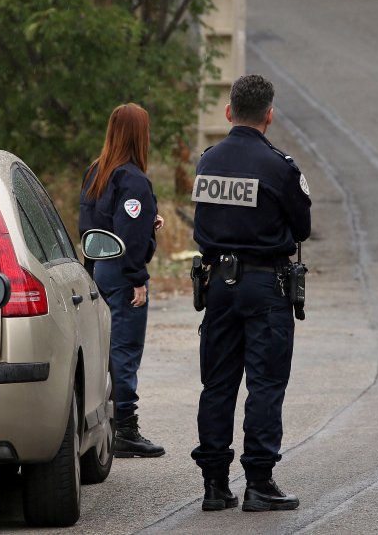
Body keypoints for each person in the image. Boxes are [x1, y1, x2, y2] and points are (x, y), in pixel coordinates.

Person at [190, 74, 312, 512]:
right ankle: (259, 483)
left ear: (228, 112)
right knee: (265, 384)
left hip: (218, 284)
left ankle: (215, 485)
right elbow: (302, 228)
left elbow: (201, 224)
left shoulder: (207, 162)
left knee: (217, 384)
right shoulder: (279, 166)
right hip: (266, 286)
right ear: (269, 115)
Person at [79, 102, 165, 458]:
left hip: (99, 268)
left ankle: (104, 420)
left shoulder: (95, 172)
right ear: (139, 136)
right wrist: (138, 280)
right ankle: (125, 428)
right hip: (122, 273)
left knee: (102, 347)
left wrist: (148, 222)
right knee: (125, 348)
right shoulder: (134, 180)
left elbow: (92, 224)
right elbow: (129, 239)